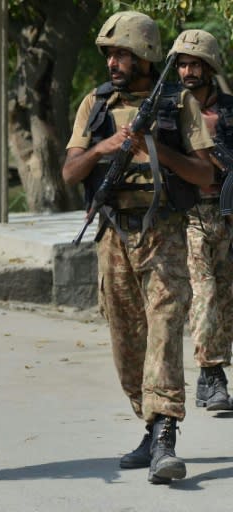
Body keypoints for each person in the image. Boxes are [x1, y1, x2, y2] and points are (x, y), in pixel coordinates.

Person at [61, 11, 215, 484]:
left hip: (164, 232)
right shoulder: (96, 104)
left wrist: (156, 149)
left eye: (123, 53)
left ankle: (166, 436)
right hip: (114, 235)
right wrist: (103, 149)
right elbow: (69, 173)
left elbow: (207, 176)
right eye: (109, 53)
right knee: (127, 343)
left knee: (165, 330)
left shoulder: (178, 102)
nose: (114, 61)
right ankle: (150, 426)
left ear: (146, 55)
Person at [169, 29, 233, 411]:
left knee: (224, 297)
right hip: (187, 214)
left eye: (195, 64)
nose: (188, 71)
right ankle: (212, 375)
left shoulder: (228, 110)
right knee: (205, 294)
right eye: (182, 64)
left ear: (209, 68)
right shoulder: (170, 110)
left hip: (225, 215)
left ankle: (211, 377)